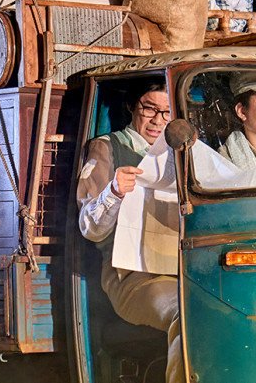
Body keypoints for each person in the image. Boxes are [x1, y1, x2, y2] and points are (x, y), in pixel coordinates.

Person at [75, 81, 182, 383]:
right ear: (132, 107)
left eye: (167, 112)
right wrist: (114, 191)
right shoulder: (107, 148)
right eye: (150, 109)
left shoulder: (181, 152)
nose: (158, 120)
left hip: (182, 270)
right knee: (187, 311)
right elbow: (90, 228)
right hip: (132, 276)